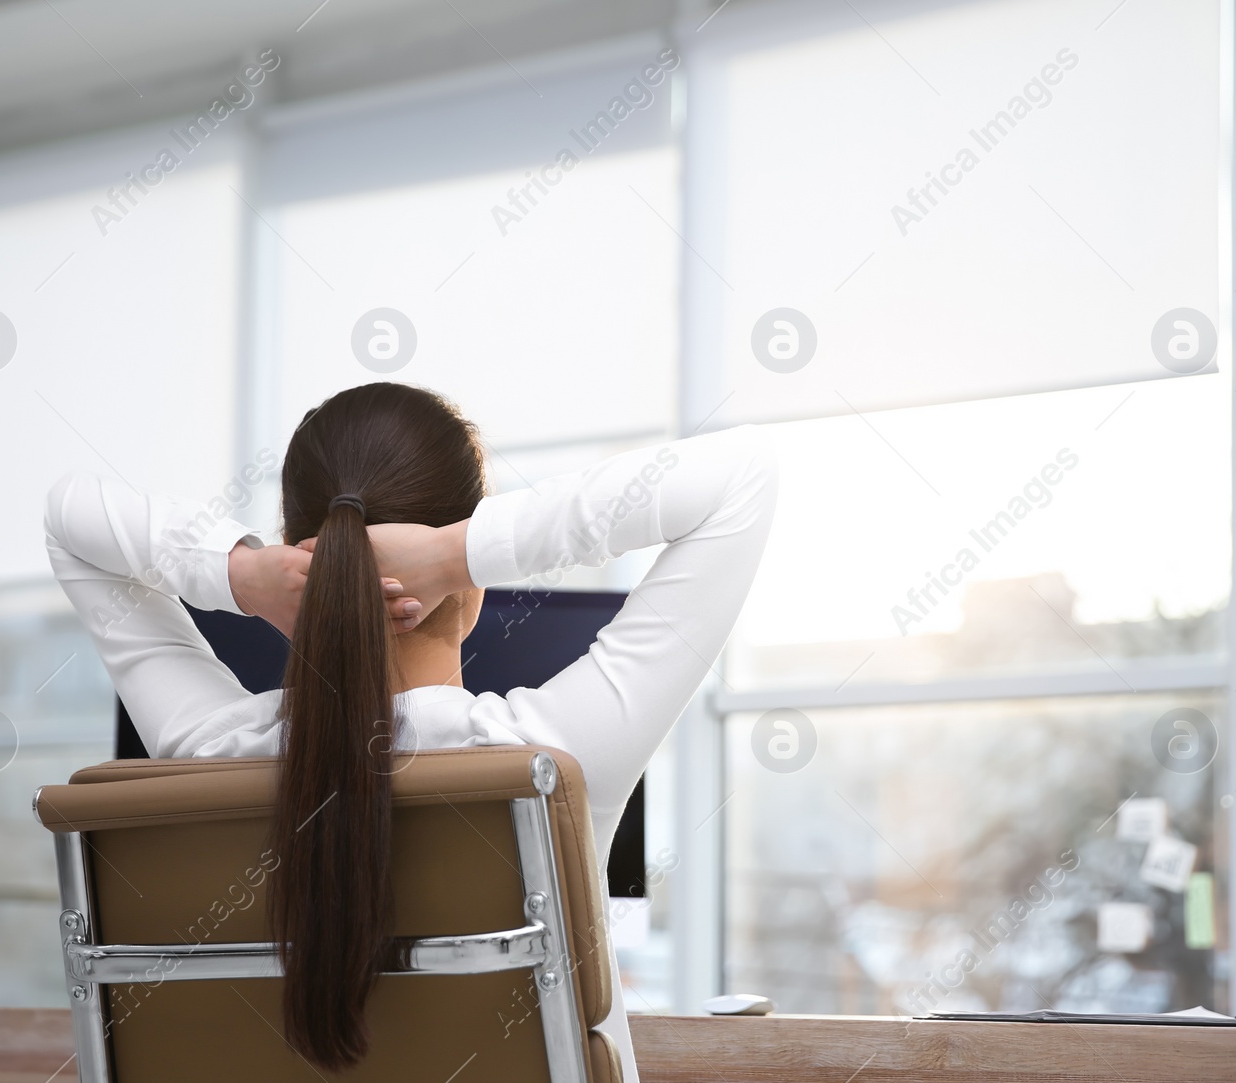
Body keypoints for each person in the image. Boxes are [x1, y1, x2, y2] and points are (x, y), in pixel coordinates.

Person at [44, 382, 778, 1077]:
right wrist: (458, 551)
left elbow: (70, 517)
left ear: (297, 561)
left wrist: (243, 575)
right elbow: (739, 477)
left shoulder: (206, 752)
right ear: (472, 581)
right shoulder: (555, 757)